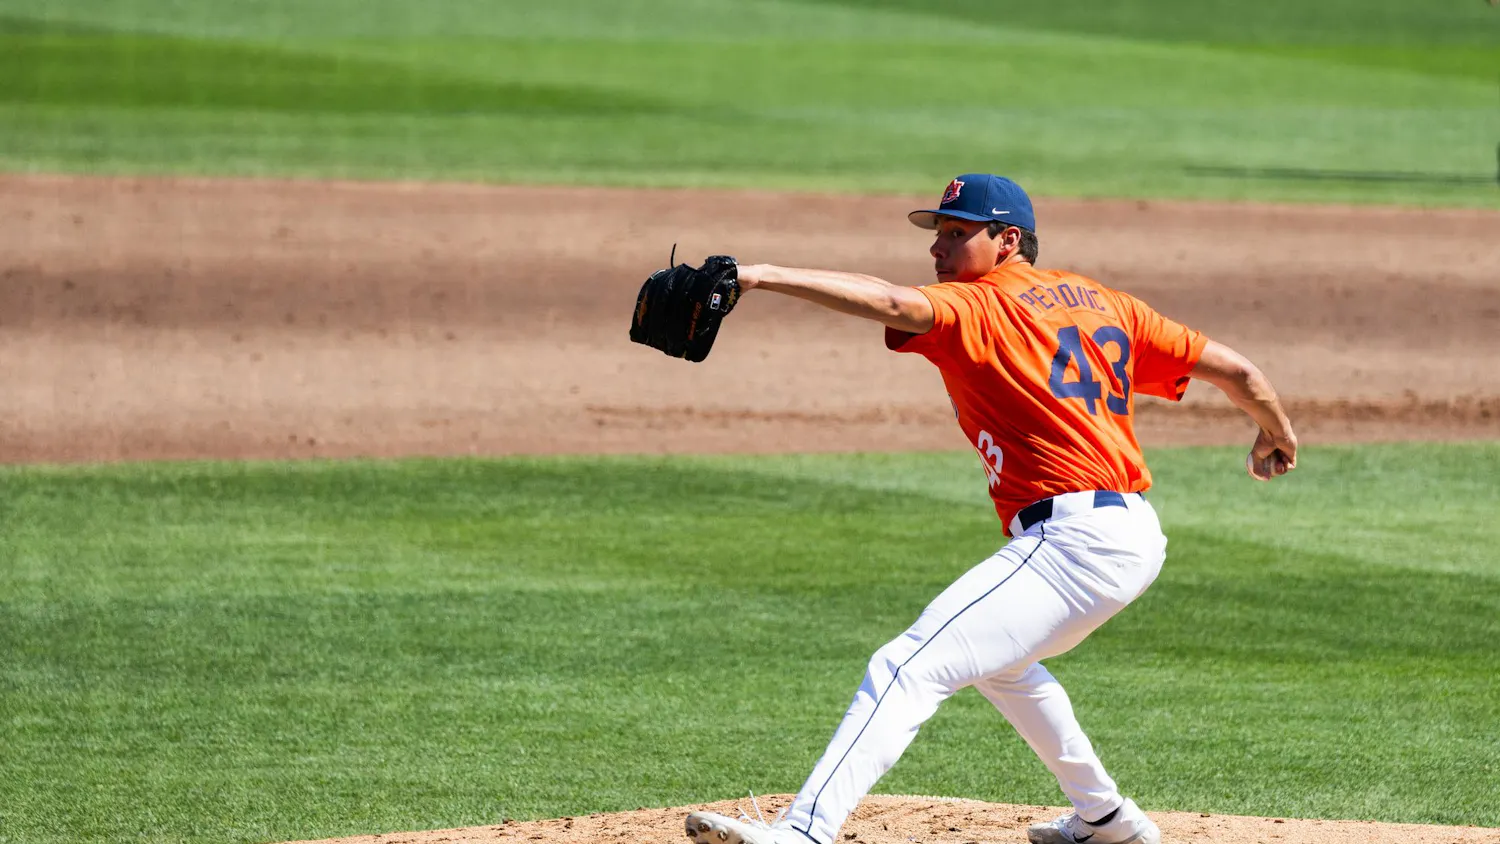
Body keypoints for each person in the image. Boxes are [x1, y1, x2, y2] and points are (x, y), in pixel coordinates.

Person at [683, 174, 1297, 844]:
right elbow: (1242, 375)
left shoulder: (980, 305)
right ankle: (1105, 818)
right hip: (1130, 535)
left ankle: (804, 832)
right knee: (1001, 666)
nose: (937, 250)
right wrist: (1277, 431)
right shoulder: (1106, 303)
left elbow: (891, 301)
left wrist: (760, 275)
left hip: (1076, 540)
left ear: (1008, 241)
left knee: (908, 665)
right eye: (938, 234)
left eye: (956, 233)